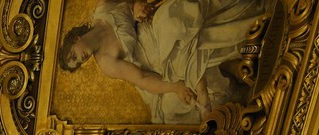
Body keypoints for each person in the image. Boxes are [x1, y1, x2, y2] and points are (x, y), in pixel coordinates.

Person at [58, 0, 266, 124]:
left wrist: (136, 5)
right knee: (172, 38)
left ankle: (246, 42)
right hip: (153, 56)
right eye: (78, 64)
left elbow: (132, 3)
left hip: (152, 25)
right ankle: (205, 90)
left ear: (75, 39)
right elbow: (142, 78)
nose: (81, 60)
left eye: (74, 56)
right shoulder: (106, 62)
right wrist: (175, 87)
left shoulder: (103, 7)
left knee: (170, 20)